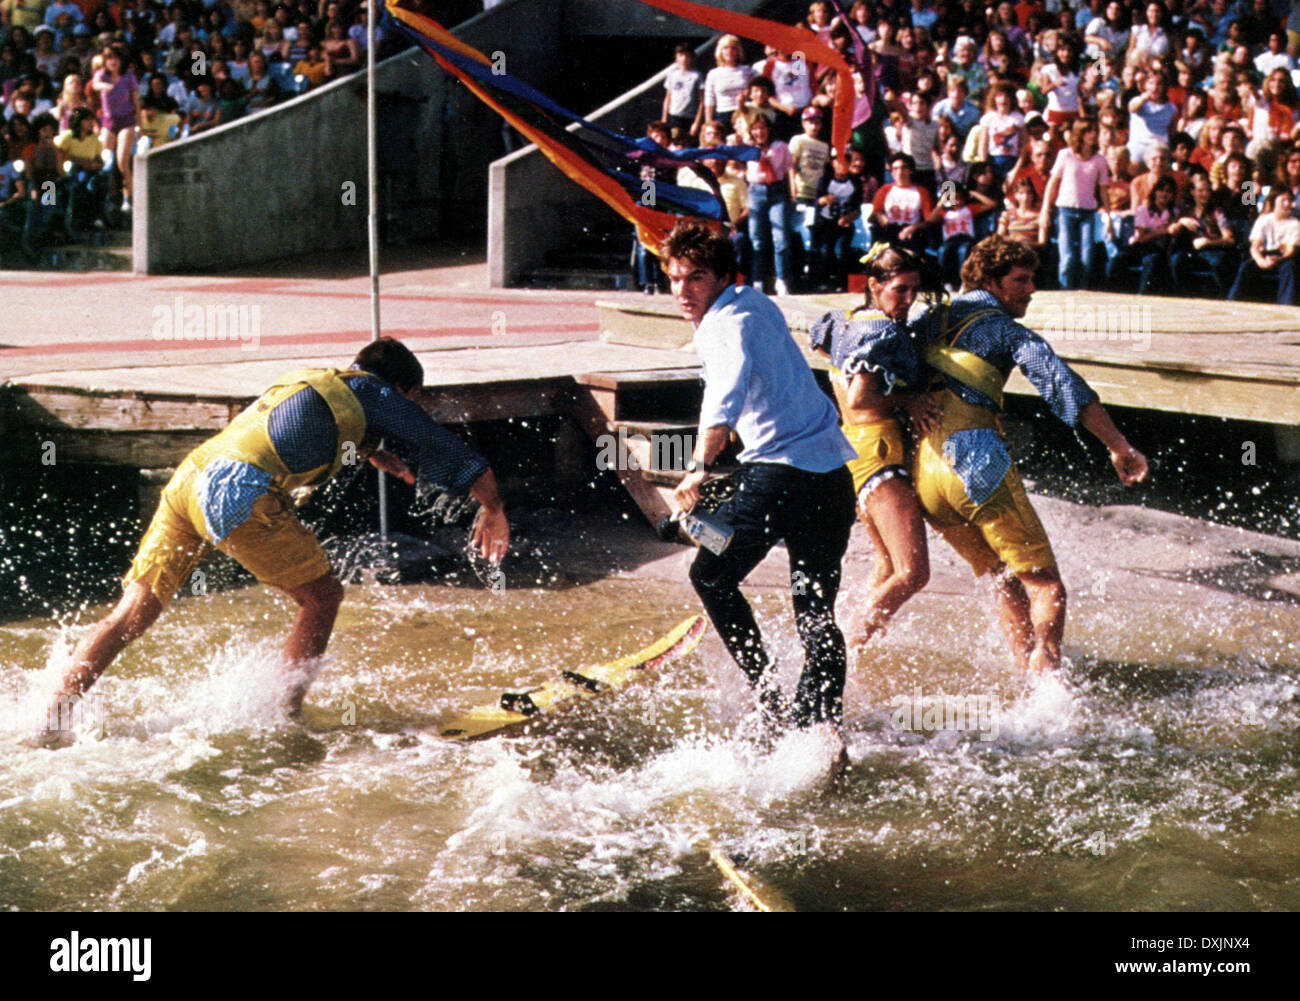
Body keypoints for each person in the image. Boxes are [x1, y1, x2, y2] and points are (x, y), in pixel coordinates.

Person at [31, 338, 510, 746]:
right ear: (403, 388)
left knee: (132, 612)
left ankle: (51, 719)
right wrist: (492, 509)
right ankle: (285, 720)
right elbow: (455, 455)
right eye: (410, 398)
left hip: (190, 480)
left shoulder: (313, 380)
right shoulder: (380, 394)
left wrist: (373, 453)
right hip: (238, 493)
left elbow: (299, 428)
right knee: (322, 598)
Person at [907, 235, 1147, 674]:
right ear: (991, 282)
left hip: (923, 473)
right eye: (1021, 280)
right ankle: (1049, 688)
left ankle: (1024, 673)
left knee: (1003, 575)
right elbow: (1062, 386)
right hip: (975, 466)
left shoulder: (925, 319)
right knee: (1046, 584)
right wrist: (1118, 444)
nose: (1031, 289)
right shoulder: (1005, 330)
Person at [661, 221, 857, 730]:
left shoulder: (721, 325)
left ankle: (767, 695)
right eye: (675, 277)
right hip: (833, 480)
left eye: (696, 278)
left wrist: (696, 471)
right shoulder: (756, 301)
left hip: (779, 483)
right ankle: (823, 727)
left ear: (724, 277)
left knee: (710, 575)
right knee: (815, 610)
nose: (683, 291)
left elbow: (722, 402)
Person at [809, 244, 940, 648]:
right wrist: (908, 400)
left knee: (887, 565)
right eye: (899, 290)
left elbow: (823, 352)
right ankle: (844, 652)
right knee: (913, 573)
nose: (908, 301)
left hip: (854, 451)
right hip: (879, 453)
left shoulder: (843, 320)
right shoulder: (879, 331)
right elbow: (860, 398)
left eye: (913, 291)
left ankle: (851, 647)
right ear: (873, 285)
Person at [1228, 186, 1300, 304]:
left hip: (1284, 257)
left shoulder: (1295, 224)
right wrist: (1260, 260)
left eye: (1289, 200)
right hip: (1264, 254)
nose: (1287, 204)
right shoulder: (1264, 220)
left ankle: (1286, 304)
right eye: (1283, 200)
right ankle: (1233, 301)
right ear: (1274, 202)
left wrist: (1278, 259)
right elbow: (1255, 246)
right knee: (1247, 266)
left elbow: (1291, 250)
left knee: (1289, 269)